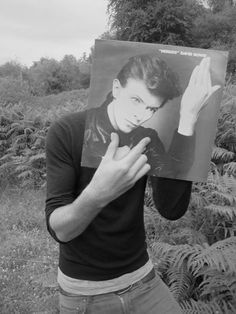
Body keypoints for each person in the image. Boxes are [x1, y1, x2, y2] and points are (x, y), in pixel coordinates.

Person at [45, 54, 220, 313]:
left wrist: (187, 120)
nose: (141, 115)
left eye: (151, 109)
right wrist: (97, 194)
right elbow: (61, 230)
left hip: (142, 277)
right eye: (136, 100)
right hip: (85, 291)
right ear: (116, 89)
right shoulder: (69, 131)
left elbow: (171, 209)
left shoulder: (146, 139)